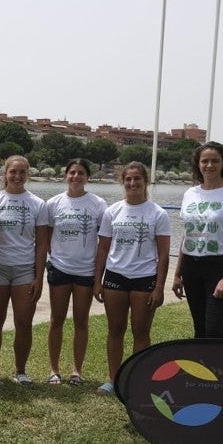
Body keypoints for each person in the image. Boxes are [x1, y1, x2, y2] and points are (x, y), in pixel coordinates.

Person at [92, 162, 171, 395]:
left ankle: (137, 381)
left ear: (145, 181)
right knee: (115, 330)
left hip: (144, 279)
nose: (132, 183)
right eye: (128, 179)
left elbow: (164, 254)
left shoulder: (158, 213)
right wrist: (98, 280)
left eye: (137, 179)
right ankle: (114, 380)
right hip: (115, 277)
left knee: (141, 332)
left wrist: (159, 287)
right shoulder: (112, 211)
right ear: (122, 182)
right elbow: (103, 249)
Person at [36, 158, 106, 386]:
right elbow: (44, 240)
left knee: (81, 321)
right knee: (56, 320)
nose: (76, 177)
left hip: (85, 271)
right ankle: (54, 370)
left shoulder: (98, 204)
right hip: (60, 269)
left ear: (88, 177)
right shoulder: (53, 204)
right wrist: (46, 265)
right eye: (72, 173)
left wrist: (98, 277)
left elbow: (104, 243)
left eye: (81, 173)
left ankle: (77, 370)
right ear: (66, 175)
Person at [172, 141, 223, 338]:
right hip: (191, 266)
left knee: (214, 328)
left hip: (219, 266)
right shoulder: (190, 193)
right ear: (198, 164)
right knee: (199, 327)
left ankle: (219, 367)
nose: (209, 165)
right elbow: (188, 234)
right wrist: (177, 273)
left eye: (215, 161)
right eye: (204, 161)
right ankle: (201, 368)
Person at [0, 155, 46, 386]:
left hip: (24, 271)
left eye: (22, 172)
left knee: (23, 323)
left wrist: (39, 278)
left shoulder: (38, 204)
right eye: (13, 172)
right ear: (5, 174)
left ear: (27, 174)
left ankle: (21, 371)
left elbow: (41, 245)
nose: (17, 177)